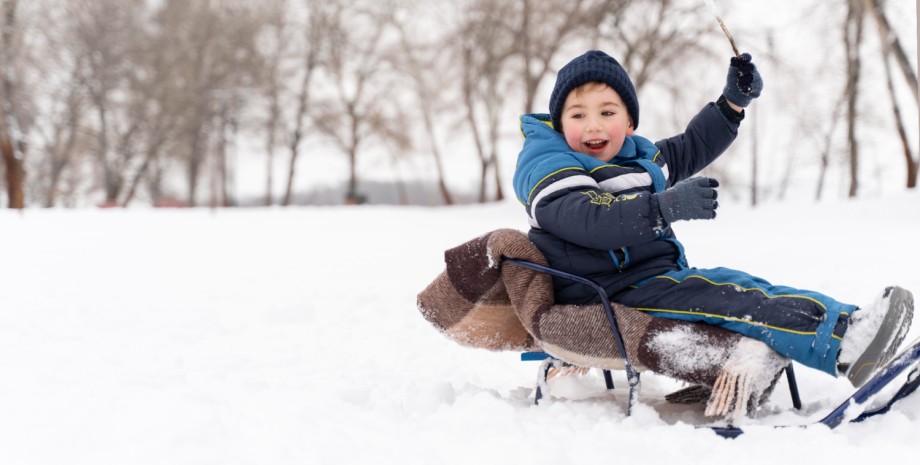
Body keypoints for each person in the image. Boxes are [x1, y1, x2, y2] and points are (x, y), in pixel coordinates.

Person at [511, 50, 913, 387]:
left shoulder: (635, 158)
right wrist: (662, 209)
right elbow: (585, 220)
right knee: (730, 296)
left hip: (643, 280)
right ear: (560, 123)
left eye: (607, 111)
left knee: (739, 286)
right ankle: (847, 343)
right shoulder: (549, 163)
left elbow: (690, 147)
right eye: (577, 115)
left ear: (629, 122)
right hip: (602, 291)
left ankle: (847, 326)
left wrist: (731, 103)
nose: (593, 124)